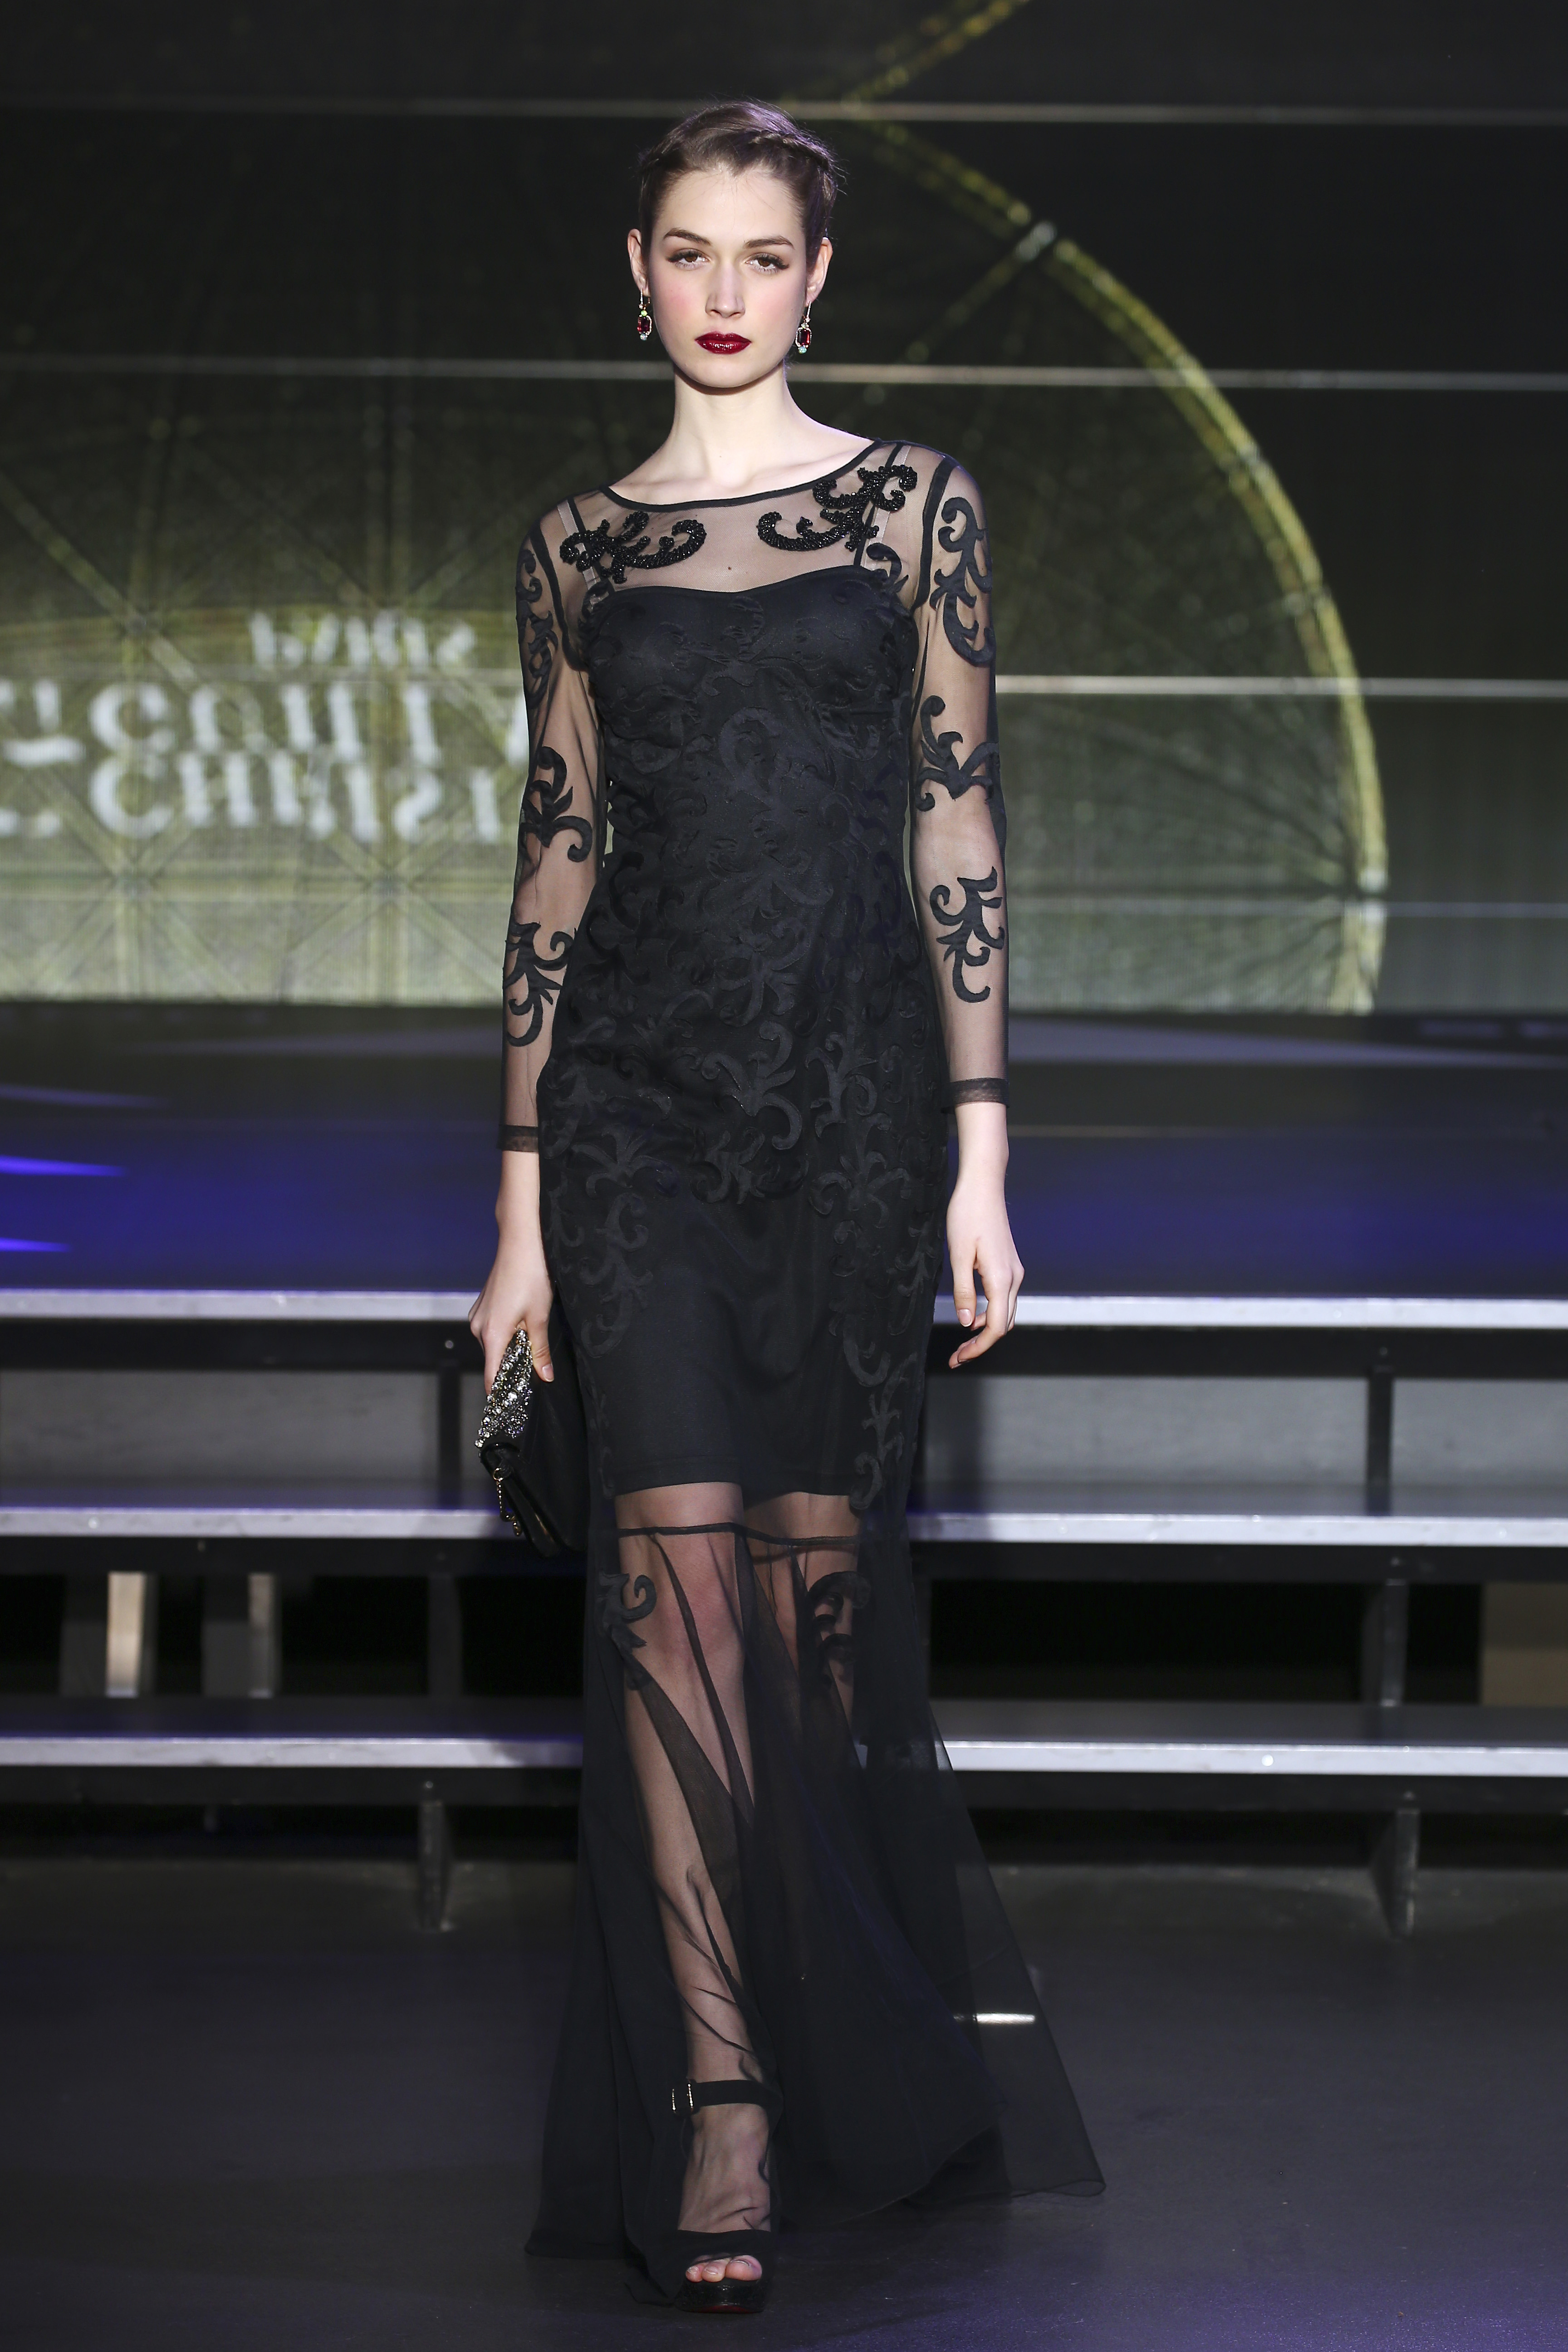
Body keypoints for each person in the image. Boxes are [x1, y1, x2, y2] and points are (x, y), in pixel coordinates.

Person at [470, 98, 1100, 2314]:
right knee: (675, 1609)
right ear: (635, 272)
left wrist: (984, 1147)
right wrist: (522, 1209)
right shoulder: (576, 548)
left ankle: (839, 2057)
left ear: (817, 279)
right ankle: (719, 2101)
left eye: (763, 254)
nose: (724, 291)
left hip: (849, 1119)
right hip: (634, 1117)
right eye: (688, 250)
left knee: (817, 1624)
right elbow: (555, 865)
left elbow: (957, 822)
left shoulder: (918, 504)